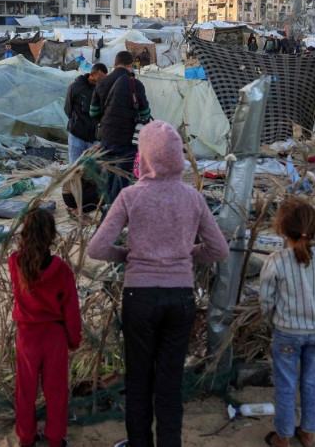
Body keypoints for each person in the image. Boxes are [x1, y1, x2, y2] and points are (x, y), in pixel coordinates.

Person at [88, 121, 229, 447]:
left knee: (139, 381)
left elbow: (97, 248)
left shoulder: (131, 196)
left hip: (139, 296)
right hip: (180, 298)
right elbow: (219, 250)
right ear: (178, 157)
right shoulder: (192, 198)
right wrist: (186, 254)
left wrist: (128, 256)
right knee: (169, 384)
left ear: (145, 156)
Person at [259, 196, 315, 447]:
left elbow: (266, 300)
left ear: (281, 229)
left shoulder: (276, 261)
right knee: (312, 383)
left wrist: (273, 321)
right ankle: (307, 434)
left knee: (285, 385)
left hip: (286, 333)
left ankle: (282, 437)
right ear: (313, 228)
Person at [9, 208, 81, 447]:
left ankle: (26, 437)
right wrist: (74, 339)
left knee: (25, 389)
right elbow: (72, 310)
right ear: (52, 235)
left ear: (25, 233)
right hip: (54, 336)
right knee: (56, 391)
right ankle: (55, 439)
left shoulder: (15, 263)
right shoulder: (61, 270)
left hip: (27, 335)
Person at [88, 50, 151, 206]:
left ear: (115, 64)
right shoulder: (136, 84)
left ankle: (108, 207)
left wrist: (106, 121)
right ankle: (117, 210)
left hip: (106, 138)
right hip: (127, 140)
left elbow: (93, 112)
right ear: (131, 65)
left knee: (109, 175)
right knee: (123, 177)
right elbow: (145, 113)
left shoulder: (102, 82)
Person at [65, 63, 108, 164]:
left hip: (94, 138)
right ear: (91, 75)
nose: (101, 82)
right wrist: (76, 122)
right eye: (99, 79)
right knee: (74, 167)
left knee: (92, 169)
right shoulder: (75, 87)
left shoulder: (103, 90)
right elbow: (68, 109)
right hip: (77, 135)